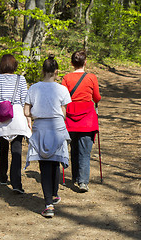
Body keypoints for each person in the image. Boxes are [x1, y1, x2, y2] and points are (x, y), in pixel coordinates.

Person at [24, 55, 71, 218]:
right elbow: (65, 112)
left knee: (44, 165)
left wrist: (35, 115)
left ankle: (48, 204)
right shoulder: (62, 89)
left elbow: (26, 111)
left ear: (43, 71)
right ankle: (54, 195)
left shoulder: (34, 88)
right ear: (56, 72)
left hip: (40, 128)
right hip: (57, 126)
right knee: (55, 161)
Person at [0, 54, 32, 194]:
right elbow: (25, 101)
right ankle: (17, 183)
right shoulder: (21, 79)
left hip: (1, 116)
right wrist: (29, 119)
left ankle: (2, 177)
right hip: (17, 116)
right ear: (14, 65)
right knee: (17, 150)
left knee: (3, 148)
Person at [62, 50, 101, 193]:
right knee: (85, 151)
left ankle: (75, 178)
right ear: (85, 62)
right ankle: (83, 182)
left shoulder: (66, 78)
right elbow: (97, 97)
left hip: (70, 116)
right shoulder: (91, 77)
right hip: (87, 119)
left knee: (74, 149)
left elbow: (63, 98)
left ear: (72, 63)